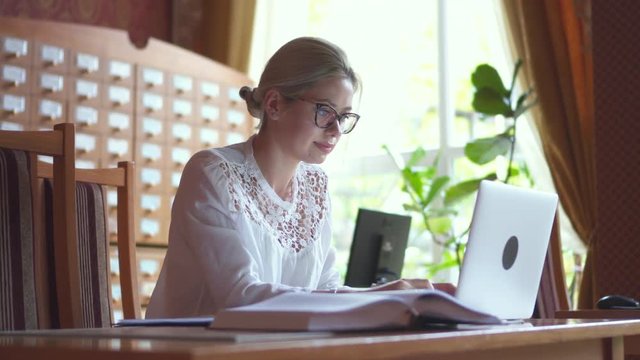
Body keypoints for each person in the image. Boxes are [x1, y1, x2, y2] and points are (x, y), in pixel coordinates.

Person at [146, 37, 447, 319]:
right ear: (274, 104)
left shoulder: (315, 186)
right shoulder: (212, 172)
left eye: (343, 117)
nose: (336, 130)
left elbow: (326, 287)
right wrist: (377, 296)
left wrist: (389, 298)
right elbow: (240, 297)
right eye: (325, 111)